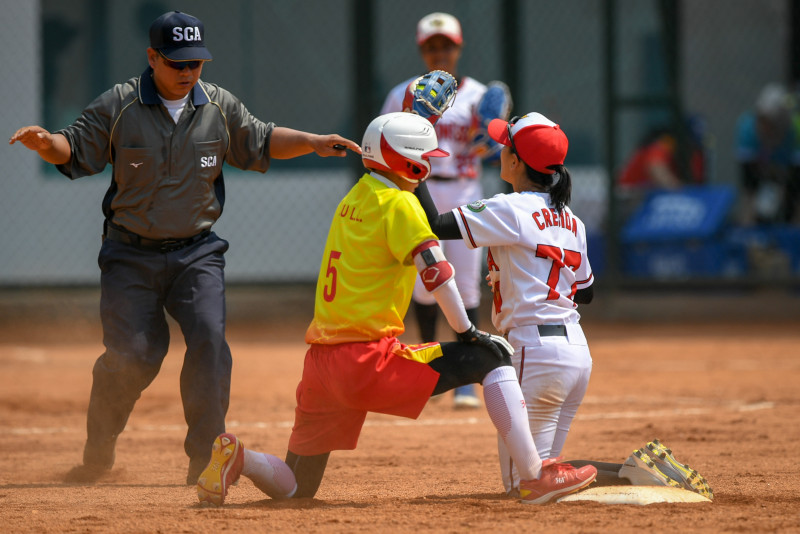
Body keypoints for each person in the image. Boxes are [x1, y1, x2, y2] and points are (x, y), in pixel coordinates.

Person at [8, 10, 361, 486]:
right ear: (152, 57)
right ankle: (99, 451)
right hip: (129, 256)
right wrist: (45, 142)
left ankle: (206, 461)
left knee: (210, 342)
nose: (187, 73)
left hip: (198, 253)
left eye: (195, 63)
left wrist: (313, 142)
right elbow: (73, 148)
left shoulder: (217, 105)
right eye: (176, 63)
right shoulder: (120, 106)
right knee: (132, 357)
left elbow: (259, 138)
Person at [195, 112, 598, 506]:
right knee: (489, 358)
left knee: (298, 486)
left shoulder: (353, 198)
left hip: (321, 363)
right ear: (408, 162)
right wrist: (466, 331)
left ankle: (241, 458)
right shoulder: (400, 205)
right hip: (367, 360)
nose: (427, 168)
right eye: (424, 160)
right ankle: (534, 475)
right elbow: (438, 273)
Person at [415, 112, 713, 500]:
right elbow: (585, 291)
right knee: (545, 470)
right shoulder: (572, 219)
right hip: (575, 354)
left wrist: (414, 164)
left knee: (525, 484)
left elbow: (435, 224)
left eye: (506, 146)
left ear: (518, 162)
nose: (499, 151)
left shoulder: (510, 208)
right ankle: (633, 470)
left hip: (533, 352)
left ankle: (633, 475)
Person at [381, 12, 495, 409]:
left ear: (458, 48)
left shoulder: (477, 94)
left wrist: (496, 136)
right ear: (421, 50)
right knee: (423, 285)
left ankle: (467, 375)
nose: (439, 53)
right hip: (419, 191)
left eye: (445, 45)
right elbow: (384, 139)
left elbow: (496, 138)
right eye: (432, 47)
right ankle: (431, 370)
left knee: (465, 284)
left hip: (464, 192)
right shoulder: (402, 94)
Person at [735, 83, 800, 225]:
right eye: (763, 119)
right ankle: (749, 228)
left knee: (793, 191)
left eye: (772, 120)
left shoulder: (794, 131)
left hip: (784, 170)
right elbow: (749, 176)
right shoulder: (747, 129)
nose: (766, 125)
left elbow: (794, 172)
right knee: (752, 196)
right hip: (761, 170)